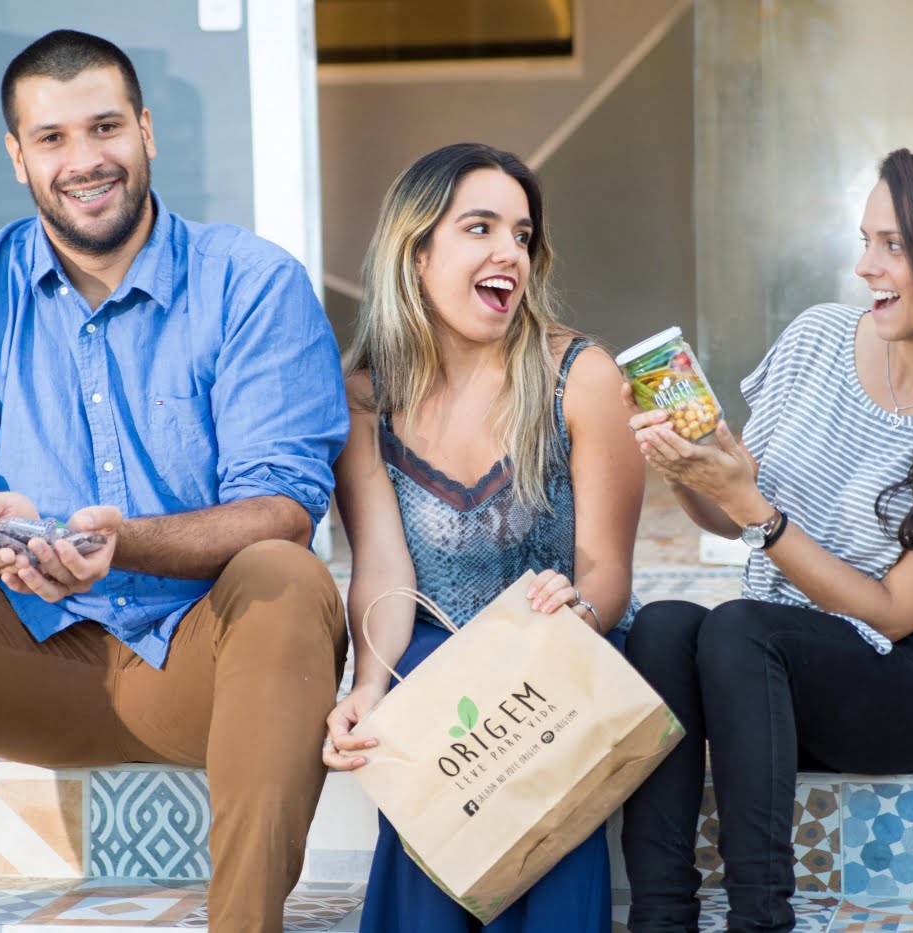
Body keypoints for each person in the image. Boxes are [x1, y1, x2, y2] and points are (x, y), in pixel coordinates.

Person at [0, 29, 349, 933]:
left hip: (208, 665)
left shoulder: (251, 284)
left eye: (105, 128)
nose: (85, 160)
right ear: (17, 157)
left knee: (289, 577)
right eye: (52, 138)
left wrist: (121, 541)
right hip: (28, 656)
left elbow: (283, 504)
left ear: (145, 131)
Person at [620, 142, 913, 933]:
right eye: (866, 240)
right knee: (662, 627)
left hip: (907, 680)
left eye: (894, 245)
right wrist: (688, 473)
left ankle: (762, 918)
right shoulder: (816, 340)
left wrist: (757, 511)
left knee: (739, 628)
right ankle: (662, 917)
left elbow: (892, 611)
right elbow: (735, 509)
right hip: (765, 669)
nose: (866, 266)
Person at [322, 142, 645, 932]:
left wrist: (576, 609)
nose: (510, 253)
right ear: (418, 249)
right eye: (481, 228)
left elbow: (608, 572)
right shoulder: (365, 396)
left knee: (531, 726)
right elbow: (386, 570)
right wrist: (368, 688)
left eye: (523, 235)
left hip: (562, 650)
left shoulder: (583, 376)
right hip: (433, 650)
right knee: (429, 708)